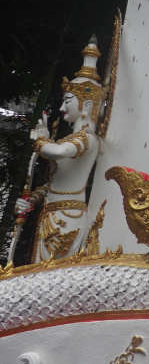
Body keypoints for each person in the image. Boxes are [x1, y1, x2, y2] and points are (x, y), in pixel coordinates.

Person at [16, 38, 108, 262]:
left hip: (68, 219)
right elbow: (55, 184)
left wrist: (41, 141)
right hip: (51, 213)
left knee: (55, 275)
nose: (61, 107)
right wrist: (33, 198)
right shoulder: (70, 139)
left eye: (67, 101)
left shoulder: (88, 139)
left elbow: (57, 153)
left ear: (86, 104)